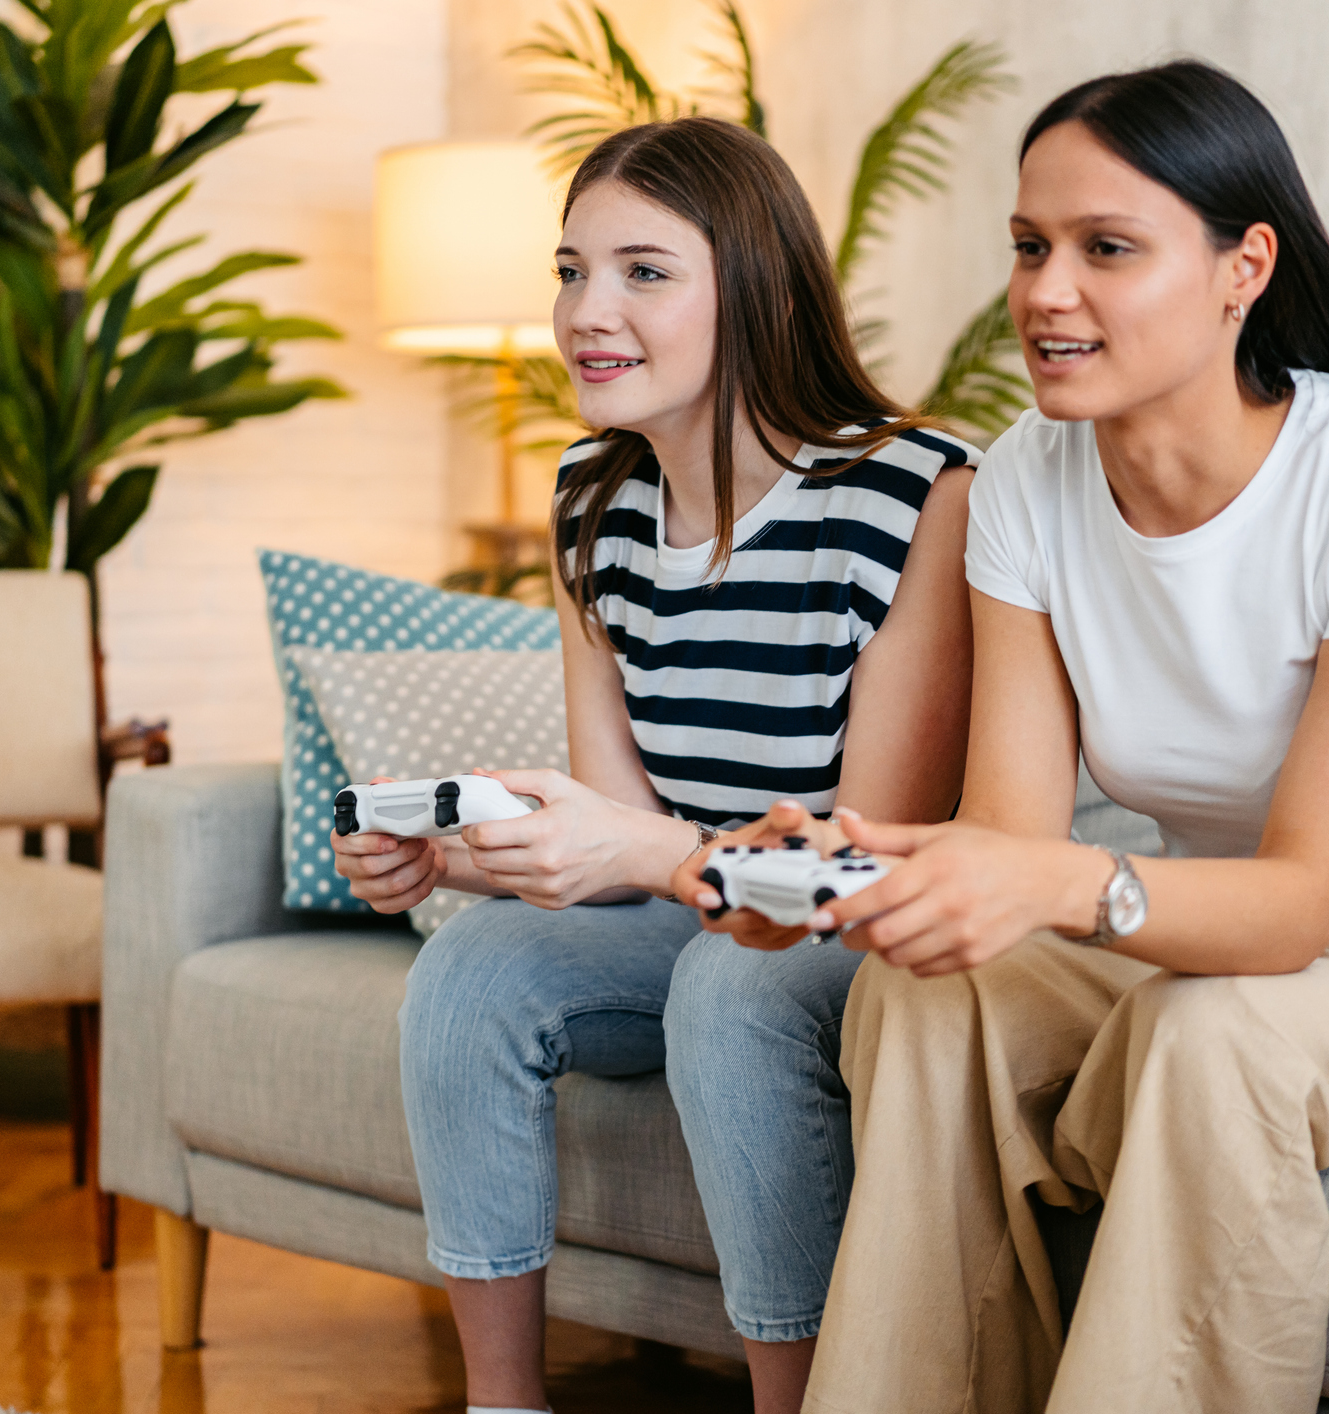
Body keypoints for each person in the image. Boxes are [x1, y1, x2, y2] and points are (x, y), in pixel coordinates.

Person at [674, 61, 1329, 1414]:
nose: (1045, 292)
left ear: (1243, 266)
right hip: (1193, 948)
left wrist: (1056, 886)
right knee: (924, 991)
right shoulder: (1020, 483)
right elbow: (1011, 841)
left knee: (1213, 1036)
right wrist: (850, 875)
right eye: (1028, 247)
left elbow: (1296, 906)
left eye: (1104, 250)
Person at [333, 115, 979, 1414]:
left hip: (862, 924)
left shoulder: (914, 493)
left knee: (733, 992)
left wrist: (634, 852)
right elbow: (618, 830)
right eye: (570, 269)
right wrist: (458, 854)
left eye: (642, 269)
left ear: (759, 287)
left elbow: (860, 862)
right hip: (687, 907)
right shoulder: (592, 499)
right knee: (470, 962)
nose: (586, 309)